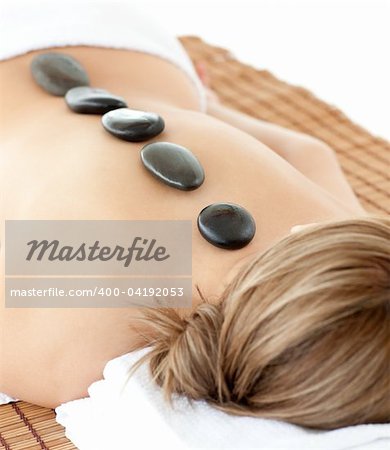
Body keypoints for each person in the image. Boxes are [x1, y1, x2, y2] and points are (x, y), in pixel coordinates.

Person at [0, 0, 388, 431]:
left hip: (121, 40)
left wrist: (210, 109)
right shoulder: (74, 353)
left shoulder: (327, 224)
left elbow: (309, 152)